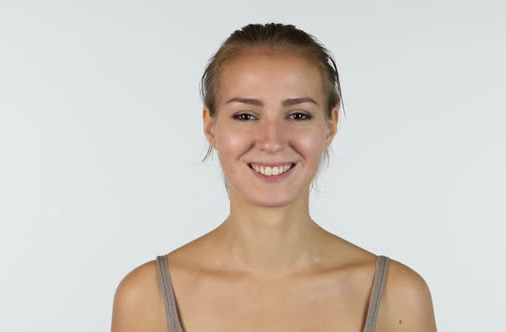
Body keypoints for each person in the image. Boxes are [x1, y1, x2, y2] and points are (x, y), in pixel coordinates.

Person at [111, 23, 437, 332]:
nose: (272, 141)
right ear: (210, 126)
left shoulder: (398, 296)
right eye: (245, 115)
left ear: (330, 125)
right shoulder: (145, 297)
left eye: (297, 115)